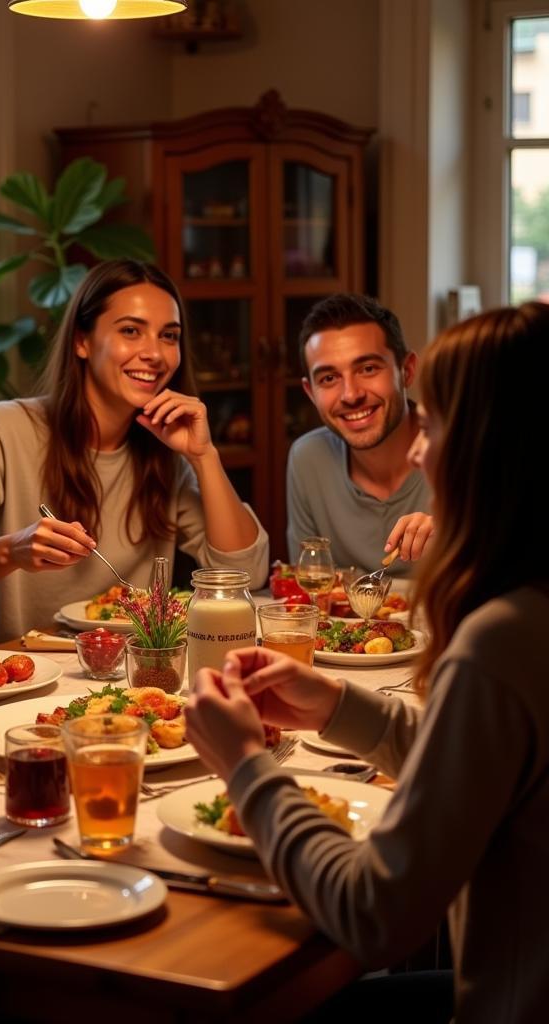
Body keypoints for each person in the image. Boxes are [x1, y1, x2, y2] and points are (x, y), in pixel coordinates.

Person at [185, 302, 549, 1022]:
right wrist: (336, 707)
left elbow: (373, 915)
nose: (420, 451)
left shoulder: (500, 639)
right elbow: (475, 763)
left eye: (436, 423)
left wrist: (247, 769)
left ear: (487, 444)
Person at [0, 259, 269, 648]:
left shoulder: (167, 452)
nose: (156, 354)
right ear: (82, 341)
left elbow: (245, 575)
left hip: (118, 681)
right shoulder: (3, 429)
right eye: (131, 331)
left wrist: (204, 456)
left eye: (169, 336)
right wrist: (12, 551)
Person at [286, 293, 433, 574]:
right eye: (329, 378)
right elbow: (310, 595)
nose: (351, 395)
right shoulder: (308, 459)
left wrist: (462, 538)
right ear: (311, 393)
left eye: (367, 369)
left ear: (407, 371)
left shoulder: (466, 447)